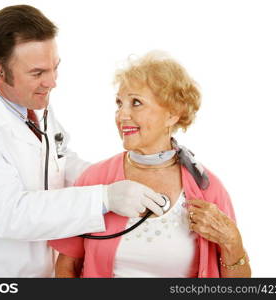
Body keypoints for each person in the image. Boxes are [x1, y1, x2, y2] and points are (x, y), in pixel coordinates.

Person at [0, 5, 166, 277]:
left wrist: (115, 177)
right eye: (38, 73)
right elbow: (9, 213)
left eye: (55, 68)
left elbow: (59, 161)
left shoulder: (31, 103)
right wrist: (103, 198)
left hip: (45, 270)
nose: (52, 82)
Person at [49, 51, 251, 278]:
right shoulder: (94, 179)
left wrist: (233, 242)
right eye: (119, 103)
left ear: (173, 114)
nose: (122, 115)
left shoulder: (207, 188)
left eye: (136, 103)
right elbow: (66, 267)